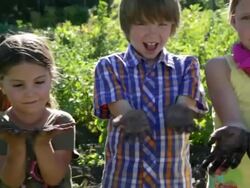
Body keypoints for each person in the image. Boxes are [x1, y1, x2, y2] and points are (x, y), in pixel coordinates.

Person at [93, 0, 208, 187]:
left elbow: (187, 101)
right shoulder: (110, 66)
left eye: (162, 24)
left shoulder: (187, 66)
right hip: (125, 180)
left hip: (172, 181)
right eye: (141, 23)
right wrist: (129, 116)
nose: (152, 33)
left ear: (172, 27)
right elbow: (117, 106)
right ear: (126, 25)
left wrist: (182, 110)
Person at [0, 33, 77, 187]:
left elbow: (53, 179)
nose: (30, 92)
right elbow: (11, 182)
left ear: (51, 78)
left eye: (39, 82)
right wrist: (16, 146)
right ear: (2, 85)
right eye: (18, 85)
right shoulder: (2, 125)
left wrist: (42, 143)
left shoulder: (61, 123)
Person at [204, 0, 250, 187]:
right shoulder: (220, 68)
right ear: (233, 21)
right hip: (234, 177)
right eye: (247, 18)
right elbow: (233, 120)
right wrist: (236, 132)